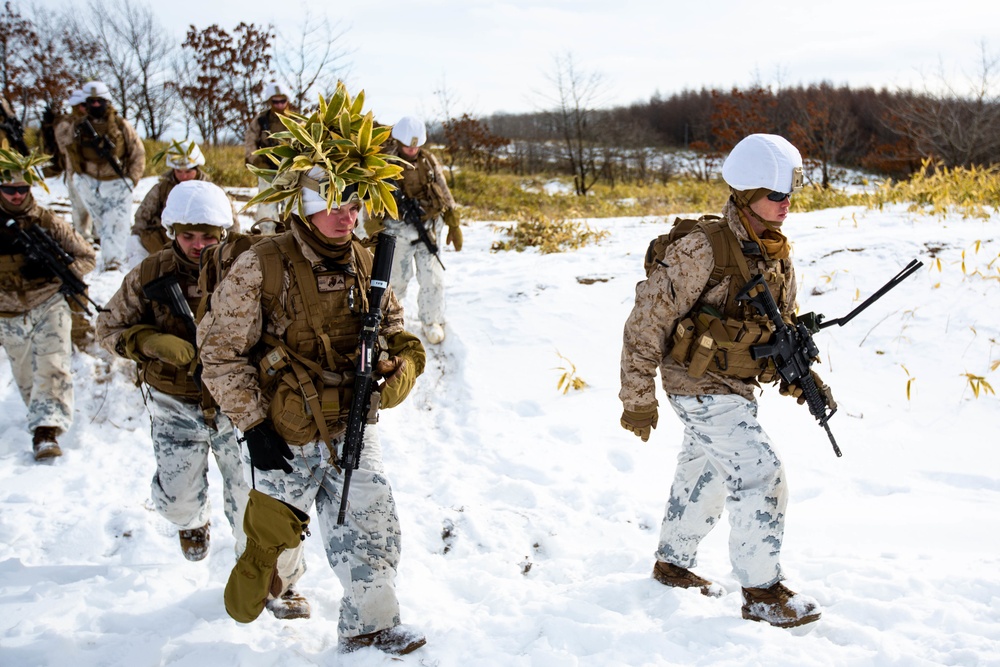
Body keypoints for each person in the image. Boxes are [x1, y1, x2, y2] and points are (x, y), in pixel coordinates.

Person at [199, 91, 427, 654]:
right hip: (283, 430)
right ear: (300, 204)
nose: (345, 216)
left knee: (372, 530)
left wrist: (402, 369)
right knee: (275, 544)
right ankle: (280, 585)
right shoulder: (262, 263)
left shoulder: (368, 262)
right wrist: (251, 427)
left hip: (352, 423)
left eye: (353, 204)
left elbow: (398, 334)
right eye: (331, 203)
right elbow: (220, 354)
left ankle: (368, 627)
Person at [619, 133, 833, 629]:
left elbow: (780, 327)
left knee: (707, 471)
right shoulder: (703, 249)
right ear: (746, 195)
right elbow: (646, 321)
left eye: (788, 195)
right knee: (760, 473)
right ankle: (761, 591)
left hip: (735, 387)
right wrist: (637, 398)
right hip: (694, 383)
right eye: (775, 196)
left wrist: (802, 379)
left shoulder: (777, 252)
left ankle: (673, 563)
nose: (785, 205)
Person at [0, 148, 96, 461]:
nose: (16, 196)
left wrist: (54, 271)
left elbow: (87, 257)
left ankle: (46, 431)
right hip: (7, 309)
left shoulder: (47, 221)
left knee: (54, 364)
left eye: (22, 189)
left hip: (48, 301)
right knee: (25, 371)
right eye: (9, 190)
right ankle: (38, 414)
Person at [364, 116, 461, 344]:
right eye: (408, 146)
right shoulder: (385, 162)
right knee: (396, 279)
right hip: (395, 229)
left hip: (426, 226)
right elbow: (370, 195)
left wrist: (453, 222)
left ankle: (431, 320)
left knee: (433, 278)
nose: (413, 150)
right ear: (398, 141)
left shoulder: (428, 161)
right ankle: (390, 321)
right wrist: (372, 227)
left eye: (416, 146)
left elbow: (443, 190)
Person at [65, 80, 145, 272]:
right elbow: (72, 153)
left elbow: (137, 152)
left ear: (106, 102)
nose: (95, 105)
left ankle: (114, 263)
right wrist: (78, 177)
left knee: (117, 224)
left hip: (116, 182)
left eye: (99, 101)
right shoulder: (78, 127)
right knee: (101, 224)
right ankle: (106, 258)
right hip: (89, 183)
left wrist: (131, 178)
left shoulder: (120, 125)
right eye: (91, 101)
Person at [126, 139, 236, 268]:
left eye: (188, 171)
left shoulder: (212, 192)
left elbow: (231, 220)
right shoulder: (161, 189)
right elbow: (142, 215)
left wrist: (231, 246)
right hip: (163, 243)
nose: (183, 176)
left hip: (206, 247)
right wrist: (136, 237)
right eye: (179, 172)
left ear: (197, 168)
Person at [244, 81, 295, 224]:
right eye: (275, 101)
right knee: (266, 212)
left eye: (282, 101)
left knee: (292, 212)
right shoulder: (261, 120)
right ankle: (267, 239)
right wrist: (256, 161)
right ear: (270, 102)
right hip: (268, 170)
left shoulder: (295, 120)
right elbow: (250, 140)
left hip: (291, 171)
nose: (279, 105)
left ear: (287, 101)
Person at [54, 89, 94, 241]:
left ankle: (95, 234)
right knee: (80, 206)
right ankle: (82, 235)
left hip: (92, 172)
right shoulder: (65, 124)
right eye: (84, 105)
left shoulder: (91, 122)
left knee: (94, 205)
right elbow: (64, 147)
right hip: (75, 171)